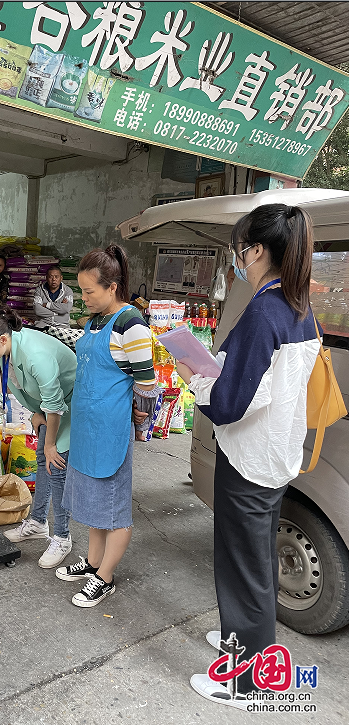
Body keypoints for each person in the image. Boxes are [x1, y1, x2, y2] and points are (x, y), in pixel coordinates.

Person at [176, 204, 320, 709]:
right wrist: (222, 367)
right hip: (277, 453)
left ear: (256, 250)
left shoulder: (263, 310)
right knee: (254, 559)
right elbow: (266, 380)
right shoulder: (297, 305)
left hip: (251, 457)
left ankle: (250, 678)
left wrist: (198, 378)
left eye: (239, 250)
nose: (237, 260)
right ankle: (243, 642)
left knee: (244, 567)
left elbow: (233, 401)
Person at [57, 244, 156, 608]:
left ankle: (106, 576)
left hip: (110, 431)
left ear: (112, 287)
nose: (83, 300)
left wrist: (142, 412)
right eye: (81, 291)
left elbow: (146, 383)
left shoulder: (132, 324)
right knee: (93, 502)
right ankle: (92, 562)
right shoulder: (95, 322)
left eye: (88, 292)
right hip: (87, 429)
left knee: (113, 509)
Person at [0, 307, 77, 568]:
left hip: (72, 404)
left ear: (2, 339)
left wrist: (50, 443)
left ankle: (63, 537)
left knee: (56, 464)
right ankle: (38, 522)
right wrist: (36, 414)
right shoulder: (9, 349)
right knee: (42, 460)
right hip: (50, 407)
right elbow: (34, 391)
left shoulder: (35, 355)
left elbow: (55, 402)